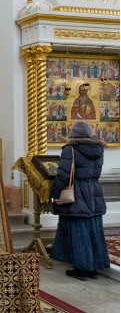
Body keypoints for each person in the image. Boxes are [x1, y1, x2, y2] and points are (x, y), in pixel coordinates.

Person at [50, 120, 110, 281]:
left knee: (79, 230)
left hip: (77, 192)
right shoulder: (99, 149)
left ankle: (82, 269)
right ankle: (93, 268)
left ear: (74, 133)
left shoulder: (70, 149)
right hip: (94, 191)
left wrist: (55, 194)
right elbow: (95, 171)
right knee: (93, 229)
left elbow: (63, 173)